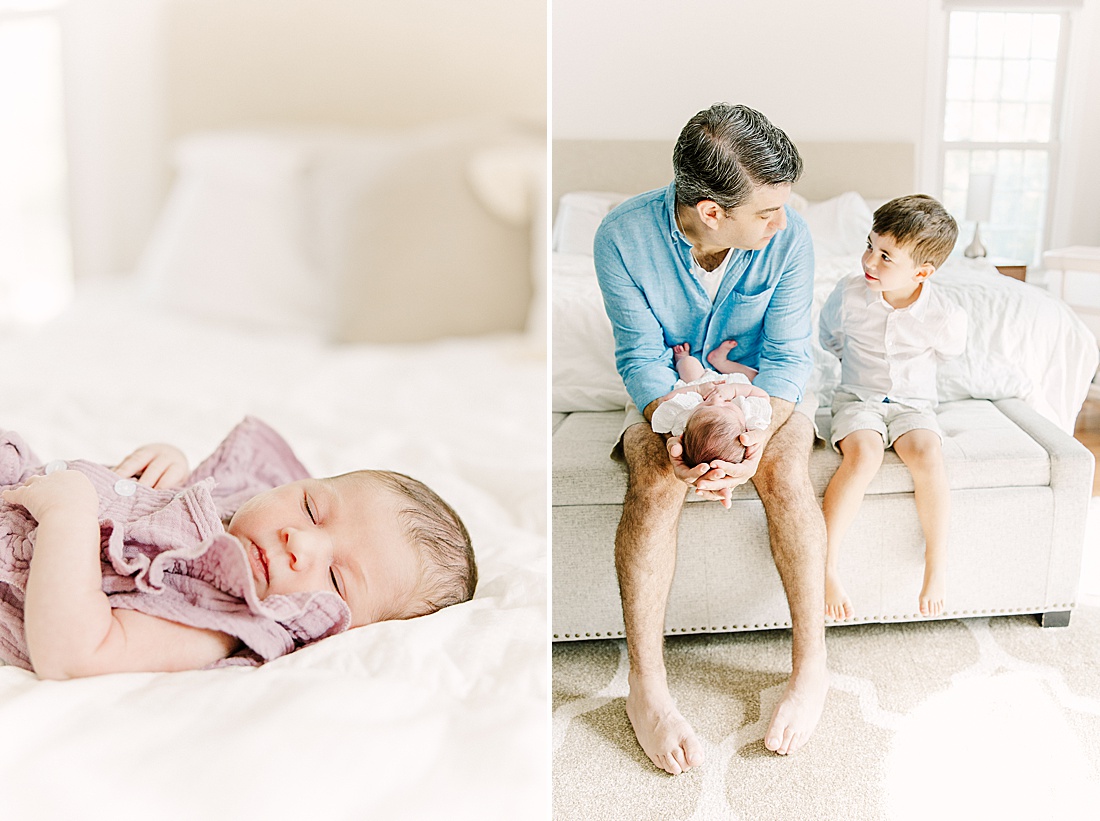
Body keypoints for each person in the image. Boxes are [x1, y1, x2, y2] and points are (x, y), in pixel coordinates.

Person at [593, 102, 828, 774]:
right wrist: (678, 428)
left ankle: (811, 669)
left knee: (784, 473)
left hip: (766, 396)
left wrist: (751, 440)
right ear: (711, 211)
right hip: (669, 397)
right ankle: (648, 687)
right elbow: (640, 355)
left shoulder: (792, 238)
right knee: (653, 475)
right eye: (767, 212)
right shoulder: (620, 238)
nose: (783, 222)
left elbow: (786, 357)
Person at [0, 415, 475, 678]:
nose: (300, 540)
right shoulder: (239, 509)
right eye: (311, 507)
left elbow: (75, 654)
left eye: (335, 578)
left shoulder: (220, 619)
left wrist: (70, 515)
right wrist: (172, 467)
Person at [819, 194, 966, 621]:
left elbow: (951, 352)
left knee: (926, 452)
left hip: (913, 405)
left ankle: (936, 565)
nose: (869, 260)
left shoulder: (943, 314)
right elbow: (831, 339)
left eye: (886, 256)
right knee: (863, 453)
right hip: (858, 399)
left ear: (922, 271)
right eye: (870, 245)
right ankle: (826, 566)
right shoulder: (848, 295)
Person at [651, 341, 771, 467]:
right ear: (745, 428)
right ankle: (721, 362)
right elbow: (763, 396)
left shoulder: (685, 418)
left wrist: (698, 389)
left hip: (704, 383)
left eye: (707, 405)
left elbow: (665, 401)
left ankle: (682, 357)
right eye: (727, 407)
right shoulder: (750, 417)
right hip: (736, 382)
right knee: (754, 376)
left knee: (689, 364)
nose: (716, 400)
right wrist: (734, 389)